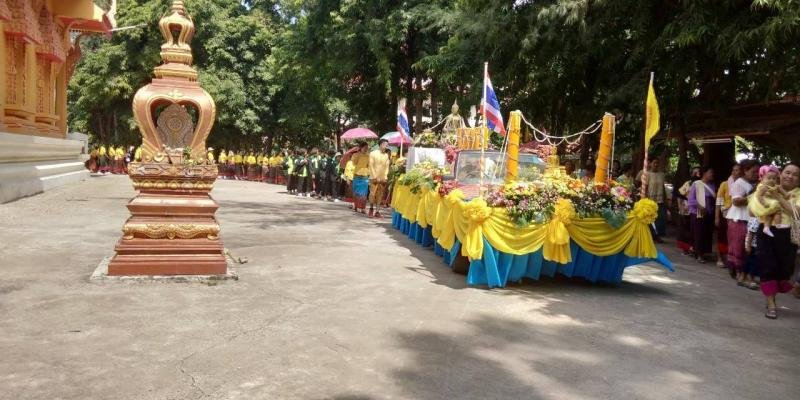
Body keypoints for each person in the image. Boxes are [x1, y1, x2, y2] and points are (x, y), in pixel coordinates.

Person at [749, 162, 800, 319]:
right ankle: (771, 303)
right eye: (787, 172)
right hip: (767, 231)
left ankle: (773, 294)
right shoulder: (765, 185)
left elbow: (795, 212)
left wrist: (777, 197)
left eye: (795, 174)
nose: (790, 176)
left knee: (785, 270)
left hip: (789, 235)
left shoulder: (797, 194)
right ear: (780, 173)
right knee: (768, 266)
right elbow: (751, 210)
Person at [726, 159, 759, 285]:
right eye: (753, 171)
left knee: (748, 248)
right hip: (738, 218)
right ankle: (740, 273)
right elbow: (736, 202)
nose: (756, 174)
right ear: (745, 171)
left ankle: (746, 273)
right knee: (739, 247)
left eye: (757, 172)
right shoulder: (739, 183)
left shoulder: (754, 184)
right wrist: (753, 195)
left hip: (750, 220)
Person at [688, 166, 716, 263]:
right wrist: (699, 206)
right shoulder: (696, 184)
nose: (712, 174)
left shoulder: (712, 185)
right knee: (698, 233)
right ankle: (698, 253)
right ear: (704, 174)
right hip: (698, 213)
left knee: (706, 233)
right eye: (710, 172)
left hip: (709, 212)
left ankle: (704, 252)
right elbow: (691, 200)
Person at [714, 163, 741, 268]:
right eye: (734, 170)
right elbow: (719, 202)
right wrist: (716, 217)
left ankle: (731, 259)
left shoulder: (743, 184)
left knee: (733, 238)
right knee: (722, 237)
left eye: (738, 170)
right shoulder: (725, 184)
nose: (736, 172)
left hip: (737, 215)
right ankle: (719, 258)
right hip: (725, 214)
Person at [637, 158, 669, 242]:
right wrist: (645, 198)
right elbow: (645, 187)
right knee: (650, 219)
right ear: (650, 163)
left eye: (658, 163)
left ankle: (658, 236)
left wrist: (666, 198)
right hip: (650, 199)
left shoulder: (662, 174)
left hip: (660, 199)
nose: (656, 164)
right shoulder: (647, 174)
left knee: (660, 218)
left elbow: (663, 187)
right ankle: (651, 236)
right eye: (654, 163)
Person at [754, 165, 789, 237]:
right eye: (769, 178)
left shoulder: (776, 186)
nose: (771, 180)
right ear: (762, 178)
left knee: (775, 213)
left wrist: (787, 195)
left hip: (773, 202)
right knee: (770, 214)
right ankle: (773, 225)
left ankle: (770, 227)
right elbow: (759, 196)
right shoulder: (763, 187)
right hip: (766, 202)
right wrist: (764, 203)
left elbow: (785, 194)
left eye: (774, 178)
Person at [676, 167, 701, 256]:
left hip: (698, 210)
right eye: (696, 172)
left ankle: (694, 248)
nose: (698, 174)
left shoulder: (702, 184)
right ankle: (686, 248)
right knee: (685, 229)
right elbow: (680, 195)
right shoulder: (688, 183)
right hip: (687, 209)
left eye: (699, 172)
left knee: (693, 230)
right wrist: (680, 207)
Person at [368, 139, 391, 217]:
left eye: (387, 144)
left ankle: (377, 211)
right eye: (385, 144)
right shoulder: (373, 153)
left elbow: (387, 167)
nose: (386, 145)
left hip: (382, 178)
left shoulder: (386, 155)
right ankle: (371, 208)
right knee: (372, 194)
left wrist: (385, 177)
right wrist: (375, 176)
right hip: (373, 177)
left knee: (380, 195)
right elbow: (371, 165)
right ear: (380, 144)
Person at [350, 141, 371, 214]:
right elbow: (354, 163)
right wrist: (358, 155)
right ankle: (356, 206)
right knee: (356, 193)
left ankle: (363, 208)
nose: (366, 149)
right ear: (361, 148)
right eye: (364, 148)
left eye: (367, 148)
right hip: (356, 176)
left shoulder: (369, 156)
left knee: (364, 194)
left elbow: (369, 166)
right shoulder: (356, 155)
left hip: (364, 177)